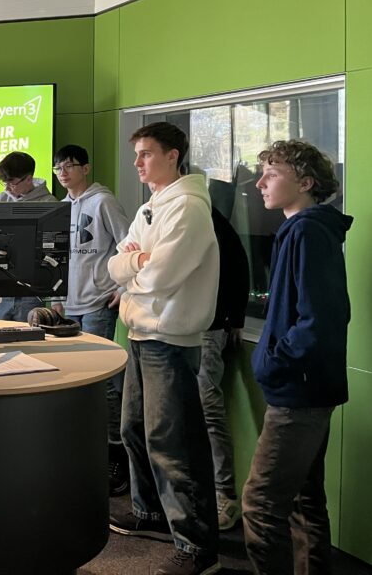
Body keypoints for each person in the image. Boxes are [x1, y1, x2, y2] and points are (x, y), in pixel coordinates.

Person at [106, 122, 220, 575]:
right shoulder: (152, 205)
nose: (137, 162)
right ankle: (150, 512)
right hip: (140, 333)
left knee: (173, 443)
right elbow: (116, 263)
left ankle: (197, 547)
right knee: (134, 429)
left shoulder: (188, 207)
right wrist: (137, 262)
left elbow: (161, 277)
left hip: (169, 339)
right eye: (136, 153)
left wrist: (134, 268)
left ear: (173, 156)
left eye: (147, 153)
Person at [242, 140, 351, 575]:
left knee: (260, 505)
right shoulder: (303, 229)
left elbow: (320, 318)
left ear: (305, 183)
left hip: (299, 391)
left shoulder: (307, 232)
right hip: (306, 386)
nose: (260, 183)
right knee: (305, 503)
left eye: (272, 173)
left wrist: (274, 362)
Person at [49, 144, 130, 496]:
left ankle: (116, 452)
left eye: (69, 166)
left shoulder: (103, 202)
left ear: (86, 167)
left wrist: (123, 287)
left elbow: (128, 244)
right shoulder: (61, 207)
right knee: (75, 376)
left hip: (98, 301)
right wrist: (55, 297)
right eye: (58, 168)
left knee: (104, 382)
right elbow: (54, 255)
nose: (63, 173)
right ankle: (85, 447)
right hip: (68, 304)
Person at [200, 207, 250, 531]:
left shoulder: (209, 217)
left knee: (208, 407)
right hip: (176, 329)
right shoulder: (163, 212)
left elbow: (238, 265)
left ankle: (225, 494)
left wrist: (237, 317)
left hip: (210, 327)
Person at [0, 151, 56, 321]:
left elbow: (53, 250)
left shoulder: (49, 204)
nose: (8, 188)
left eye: (12, 183)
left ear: (29, 179)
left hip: (31, 290)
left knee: (28, 335)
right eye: (5, 183)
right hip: (0, 288)